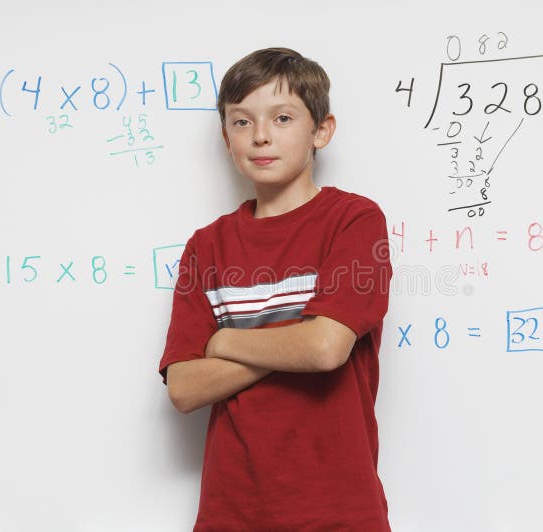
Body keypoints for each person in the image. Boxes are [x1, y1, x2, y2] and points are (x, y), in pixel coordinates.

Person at [159, 47, 393, 531]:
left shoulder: (354, 220)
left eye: (282, 117)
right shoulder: (207, 247)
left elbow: (327, 347)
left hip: (340, 510)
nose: (260, 135)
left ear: (321, 131)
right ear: (226, 138)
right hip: (233, 512)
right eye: (241, 122)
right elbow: (183, 387)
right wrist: (295, 339)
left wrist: (223, 341)